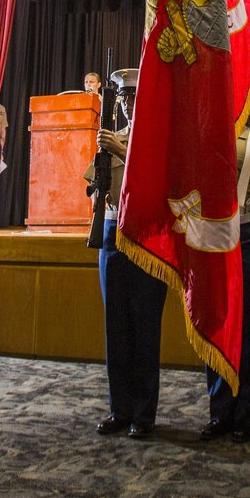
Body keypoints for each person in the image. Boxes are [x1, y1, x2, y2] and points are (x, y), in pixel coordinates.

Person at [89, 68, 166, 440]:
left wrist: (123, 151)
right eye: (123, 98)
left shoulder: (159, 140)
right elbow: (92, 185)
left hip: (148, 236)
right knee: (115, 327)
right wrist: (97, 187)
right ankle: (119, 408)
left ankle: (143, 414)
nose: (127, 104)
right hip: (111, 233)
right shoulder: (110, 138)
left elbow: (164, 187)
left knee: (145, 327)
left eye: (133, 97)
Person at [199, 120, 250, 443]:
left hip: (244, 235)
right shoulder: (201, 134)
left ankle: (245, 413)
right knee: (213, 324)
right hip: (208, 237)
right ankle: (219, 411)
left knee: (245, 326)